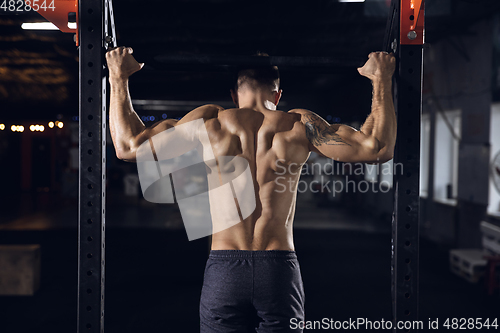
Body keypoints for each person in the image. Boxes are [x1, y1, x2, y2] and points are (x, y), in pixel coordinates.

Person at [106, 47, 396, 332]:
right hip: (278, 269)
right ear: (278, 94)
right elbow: (376, 148)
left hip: (224, 267)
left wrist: (119, 77)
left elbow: (128, 146)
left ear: (234, 94)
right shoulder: (299, 125)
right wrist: (380, 78)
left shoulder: (210, 122)